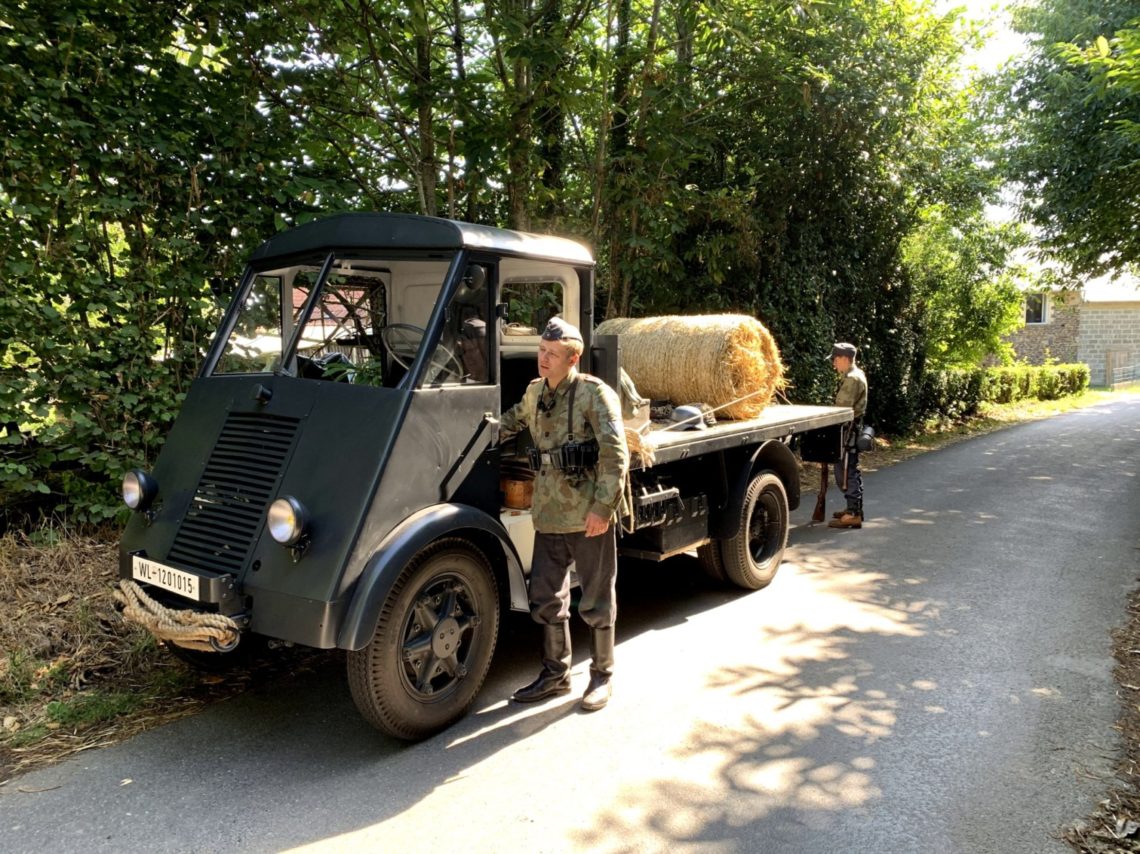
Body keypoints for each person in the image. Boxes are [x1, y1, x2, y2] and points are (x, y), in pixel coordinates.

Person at [499, 317, 630, 711]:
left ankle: (602, 676)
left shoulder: (594, 394)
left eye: (552, 353)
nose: (543, 358)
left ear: (572, 358)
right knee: (545, 596)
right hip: (550, 513)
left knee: (595, 598)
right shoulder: (535, 392)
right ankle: (556, 675)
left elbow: (615, 455)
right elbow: (508, 423)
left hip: (588, 512)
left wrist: (603, 508)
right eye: (541, 350)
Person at [828, 342, 868, 530]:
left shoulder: (852, 378)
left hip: (847, 430)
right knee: (849, 469)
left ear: (845, 358)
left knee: (845, 471)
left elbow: (841, 409)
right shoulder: (855, 375)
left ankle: (853, 514)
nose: (834, 363)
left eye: (836, 359)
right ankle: (853, 509)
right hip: (852, 429)